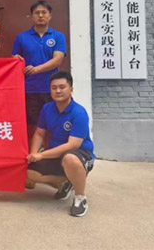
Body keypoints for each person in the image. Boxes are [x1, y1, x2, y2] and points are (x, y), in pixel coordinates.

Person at [26, 71, 95, 217]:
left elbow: (73, 145)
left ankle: (80, 197)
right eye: (54, 88)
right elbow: (39, 133)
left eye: (62, 87)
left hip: (80, 155)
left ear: (71, 89)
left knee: (69, 159)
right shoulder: (47, 108)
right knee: (27, 171)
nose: (58, 91)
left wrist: (42, 155)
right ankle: (67, 181)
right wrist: (33, 154)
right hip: (56, 154)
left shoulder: (79, 112)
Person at [12, 0, 67, 143]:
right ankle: (33, 150)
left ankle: (52, 150)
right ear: (31, 17)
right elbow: (15, 59)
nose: (41, 16)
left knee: (52, 121)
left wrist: (37, 69)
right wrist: (15, 60)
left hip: (52, 89)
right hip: (29, 89)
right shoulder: (21, 37)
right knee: (31, 123)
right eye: (37, 13)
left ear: (50, 16)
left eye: (44, 12)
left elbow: (57, 60)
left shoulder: (58, 36)